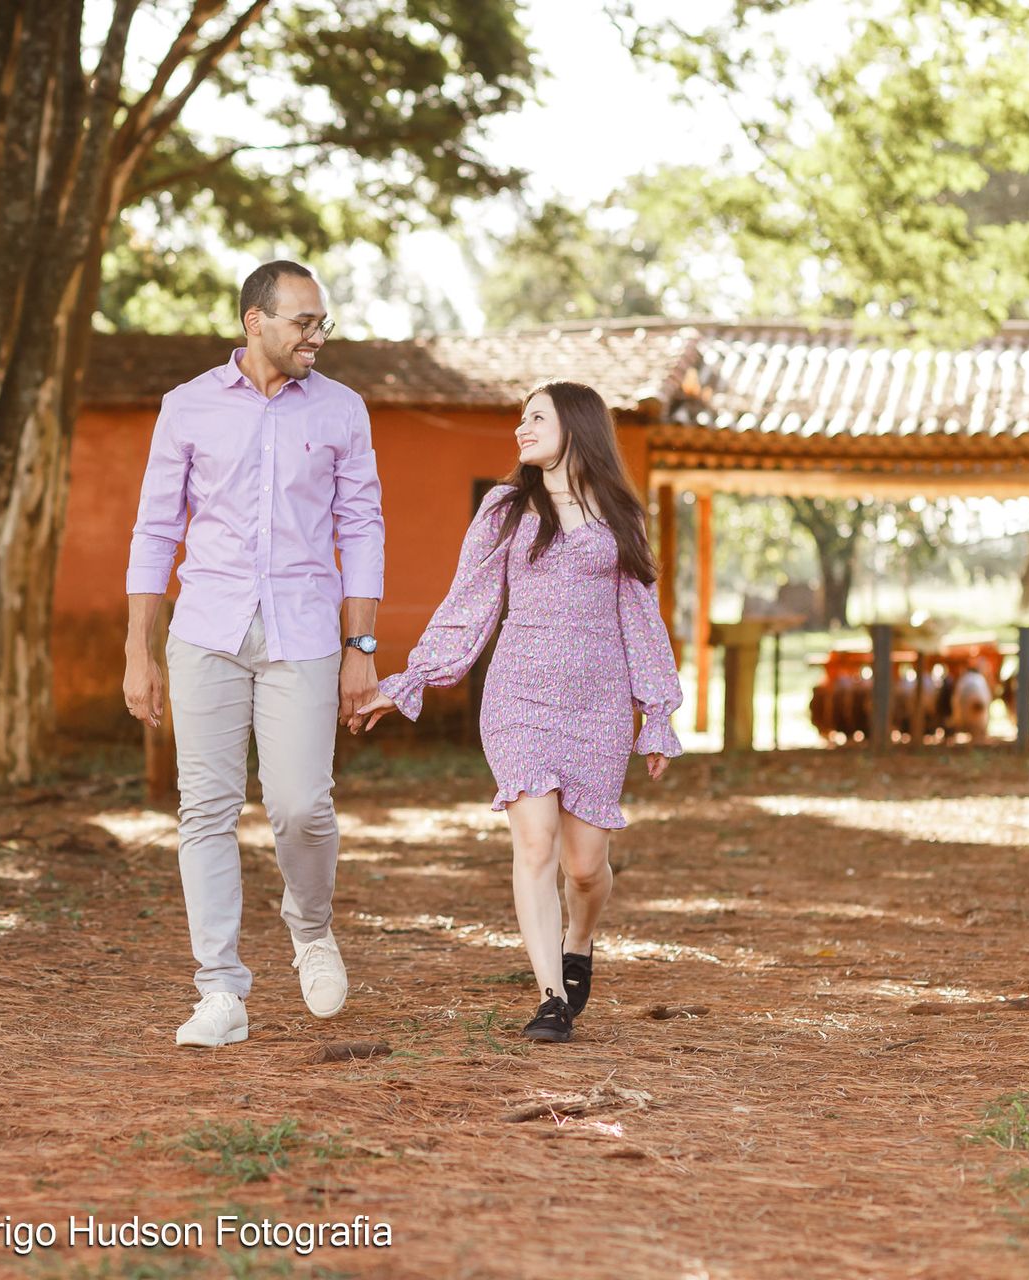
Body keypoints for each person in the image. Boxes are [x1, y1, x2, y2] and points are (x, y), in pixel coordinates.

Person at [353, 379, 681, 1044]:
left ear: (577, 426)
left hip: (597, 705)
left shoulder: (620, 514)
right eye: (520, 418)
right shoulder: (506, 509)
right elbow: (469, 600)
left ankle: (579, 939)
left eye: (536, 418)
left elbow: (641, 617)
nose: (520, 429)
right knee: (535, 841)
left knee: (585, 867)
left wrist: (657, 709)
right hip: (519, 700)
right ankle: (550, 996)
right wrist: (415, 676)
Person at [123, 260, 385, 1048]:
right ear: (255, 323)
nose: (317, 336)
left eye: (322, 322)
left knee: (302, 805)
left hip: (304, 632)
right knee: (204, 810)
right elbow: (155, 529)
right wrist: (140, 649)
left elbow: (362, 528)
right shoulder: (188, 406)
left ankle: (310, 928)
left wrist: (361, 647)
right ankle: (221, 991)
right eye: (303, 322)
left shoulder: (343, 410)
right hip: (206, 628)